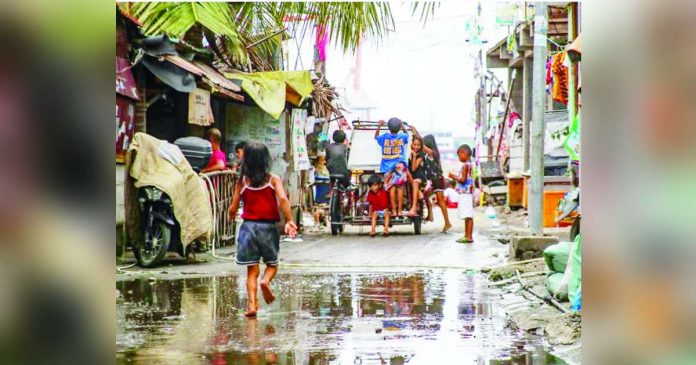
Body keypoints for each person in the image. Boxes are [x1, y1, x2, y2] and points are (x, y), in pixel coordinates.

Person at [228, 142, 297, 317]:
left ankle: (252, 305)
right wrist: (289, 220)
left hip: (248, 228)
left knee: (251, 270)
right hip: (268, 227)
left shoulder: (242, 182)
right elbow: (282, 199)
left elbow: (233, 207)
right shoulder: (273, 179)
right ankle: (265, 281)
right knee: (272, 264)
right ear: (266, 160)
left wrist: (231, 216)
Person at [375, 118, 410, 215]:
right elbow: (407, 135)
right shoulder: (402, 136)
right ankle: (399, 211)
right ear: (399, 128)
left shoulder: (384, 137)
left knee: (391, 189)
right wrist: (403, 125)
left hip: (387, 167)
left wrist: (379, 125)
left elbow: (376, 136)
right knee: (400, 188)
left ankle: (394, 211)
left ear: (388, 127)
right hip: (400, 166)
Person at [422, 134, 453, 232]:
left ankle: (447, 223)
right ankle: (430, 215)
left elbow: (423, 147)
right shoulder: (427, 155)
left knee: (441, 202)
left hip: (438, 180)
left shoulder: (433, 153)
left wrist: (416, 136)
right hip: (433, 180)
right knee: (425, 195)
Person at [449, 144, 475, 243]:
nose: (459, 158)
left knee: (468, 215)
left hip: (465, 193)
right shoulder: (469, 164)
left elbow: (463, 180)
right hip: (467, 192)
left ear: (464, 153)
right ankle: (466, 235)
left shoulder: (465, 165)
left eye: (459, 155)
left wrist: (453, 176)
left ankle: (469, 236)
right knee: (467, 215)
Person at [407, 134, 428, 216]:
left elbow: (413, 168)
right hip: (409, 177)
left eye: (419, 145)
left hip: (419, 177)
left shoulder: (421, 154)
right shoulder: (407, 153)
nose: (416, 147)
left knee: (415, 182)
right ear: (411, 144)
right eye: (414, 144)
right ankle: (418, 192)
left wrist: (414, 156)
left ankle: (414, 207)